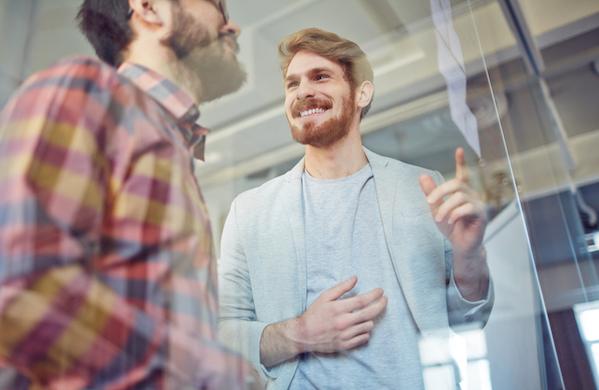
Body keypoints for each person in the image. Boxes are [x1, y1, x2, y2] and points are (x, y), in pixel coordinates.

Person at [0, 0, 258, 388]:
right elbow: (20, 287)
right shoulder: (86, 90)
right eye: (215, 5)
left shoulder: (174, 148)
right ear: (151, 8)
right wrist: (209, 373)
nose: (232, 26)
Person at [218, 28, 494, 389]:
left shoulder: (423, 189)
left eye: (320, 76)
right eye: (292, 84)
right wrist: (300, 333)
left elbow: (468, 320)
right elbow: (222, 337)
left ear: (362, 92)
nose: (302, 91)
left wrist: (469, 256)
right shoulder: (249, 211)